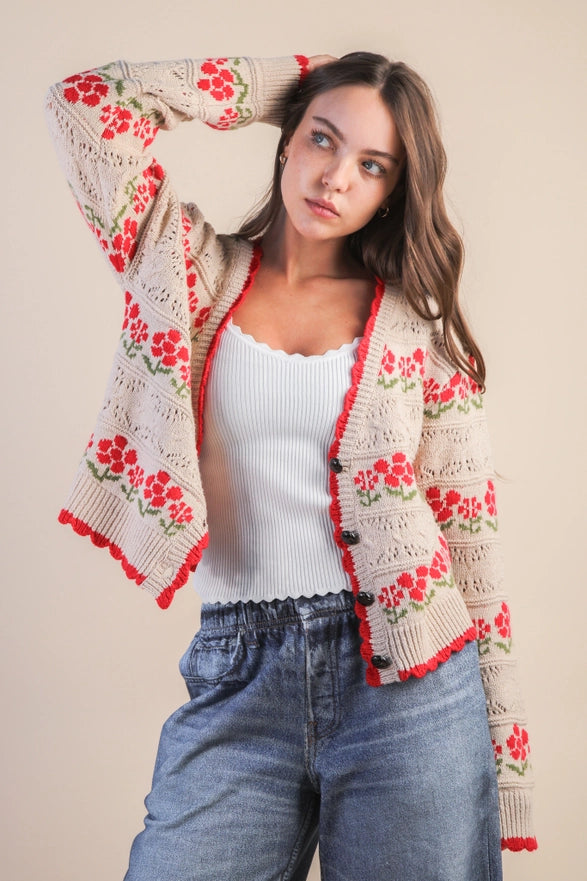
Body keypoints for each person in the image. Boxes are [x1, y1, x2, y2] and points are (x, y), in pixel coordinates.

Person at [45, 51, 537, 880]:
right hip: (241, 670)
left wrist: (508, 765)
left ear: (390, 190)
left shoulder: (417, 331)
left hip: (411, 680)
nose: (335, 176)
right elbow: (85, 105)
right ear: (284, 139)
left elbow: (470, 547)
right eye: (320, 138)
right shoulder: (184, 268)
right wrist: (298, 77)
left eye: (371, 165)